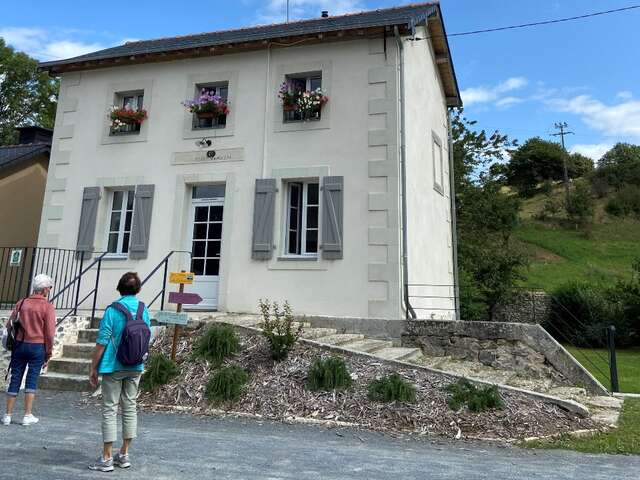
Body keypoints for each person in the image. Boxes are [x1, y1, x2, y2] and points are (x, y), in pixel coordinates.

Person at [88, 272, 151, 472]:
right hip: (136, 366)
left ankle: (106, 457)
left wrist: (93, 367)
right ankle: (124, 454)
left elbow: (101, 342)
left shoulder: (113, 310)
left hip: (113, 366)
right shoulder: (144, 309)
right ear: (138, 289)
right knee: (130, 407)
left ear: (119, 288)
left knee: (109, 408)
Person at [2, 274, 55, 427]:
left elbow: (9, 325)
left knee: (15, 377)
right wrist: (48, 353)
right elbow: (50, 333)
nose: (49, 290)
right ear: (45, 289)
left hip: (19, 345)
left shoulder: (21, 302)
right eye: (49, 288)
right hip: (37, 346)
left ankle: (8, 415)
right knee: (31, 379)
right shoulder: (47, 306)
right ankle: (27, 415)